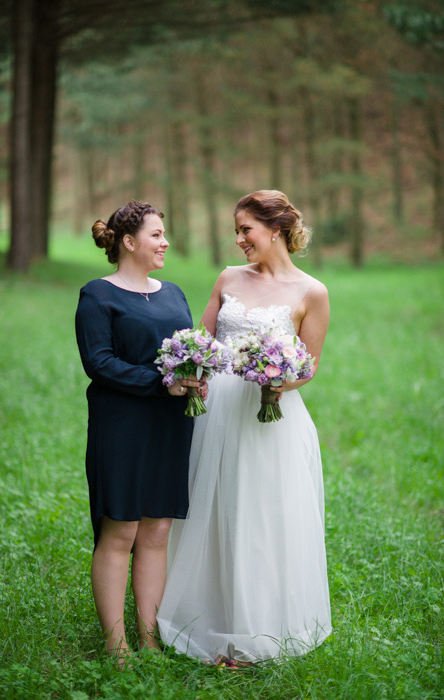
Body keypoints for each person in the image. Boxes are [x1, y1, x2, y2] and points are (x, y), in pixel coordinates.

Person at [157, 190, 332, 665]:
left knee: (261, 520)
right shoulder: (228, 278)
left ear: (275, 230)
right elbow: (203, 341)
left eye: (245, 230)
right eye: (236, 231)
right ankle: (207, 618)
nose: (238, 240)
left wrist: (278, 383)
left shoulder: (311, 292)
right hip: (215, 415)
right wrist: (191, 370)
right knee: (212, 511)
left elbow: (308, 366)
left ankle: (257, 635)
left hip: (269, 419)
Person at [75, 200, 205, 663]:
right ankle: (118, 646)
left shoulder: (173, 293)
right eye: (156, 235)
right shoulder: (98, 295)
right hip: (122, 424)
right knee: (121, 529)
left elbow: (189, 348)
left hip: (171, 425)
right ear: (129, 242)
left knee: (157, 528)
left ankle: (150, 639)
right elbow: (99, 362)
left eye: (164, 234)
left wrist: (196, 375)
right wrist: (161, 382)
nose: (165, 241)